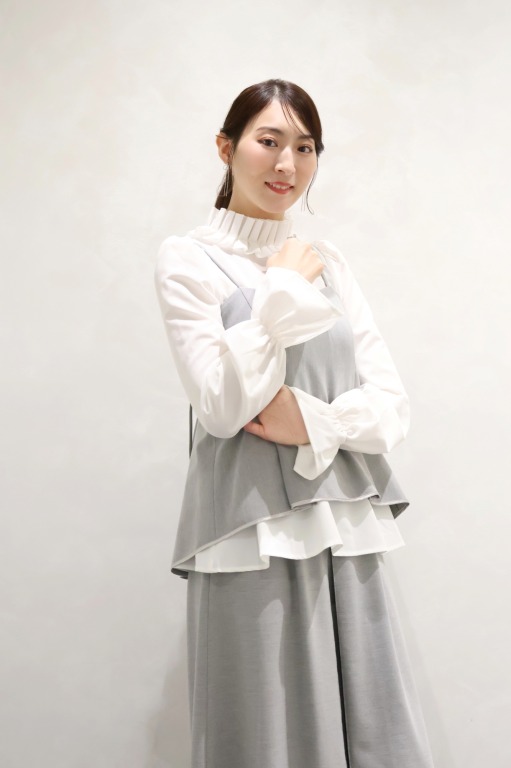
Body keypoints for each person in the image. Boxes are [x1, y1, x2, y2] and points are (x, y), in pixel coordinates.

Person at [154, 79, 434, 768]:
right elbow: (222, 406)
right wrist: (279, 290)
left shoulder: (328, 264)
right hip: (246, 530)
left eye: (305, 147)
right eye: (268, 141)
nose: (287, 164)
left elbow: (390, 408)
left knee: (374, 731)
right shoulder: (187, 259)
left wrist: (313, 422)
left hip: (345, 525)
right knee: (261, 736)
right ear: (226, 147)